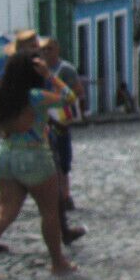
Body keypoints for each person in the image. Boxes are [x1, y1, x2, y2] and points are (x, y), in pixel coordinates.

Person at [0, 51, 79, 274]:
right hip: (34, 155)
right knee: (49, 211)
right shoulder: (35, 96)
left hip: (5, 154)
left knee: (4, 213)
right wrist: (50, 75)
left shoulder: (2, 97)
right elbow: (69, 97)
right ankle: (58, 263)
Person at [40, 39, 84, 212]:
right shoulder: (38, 70)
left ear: (57, 49)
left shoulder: (65, 69)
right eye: (42, 49)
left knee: (63, 159)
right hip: (43, 121)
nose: (45, 53)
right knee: (49, 160)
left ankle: (65, 196)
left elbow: (78, 91)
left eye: (49, 49)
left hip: (61, 119)